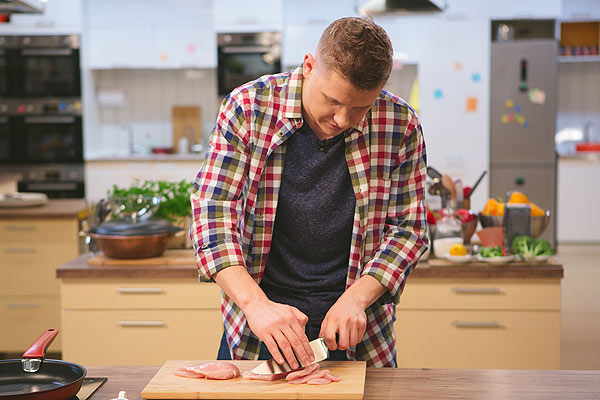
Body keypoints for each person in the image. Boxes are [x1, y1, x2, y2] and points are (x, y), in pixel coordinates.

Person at [190, 17, 428, 368]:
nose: (344, 119)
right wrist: (257, 305)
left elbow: (408, 229)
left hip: (359, 331)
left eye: (360, 107)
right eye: (332, 100)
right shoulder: (247, 109)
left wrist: (357, 299)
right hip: (261, 327)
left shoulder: (400, 124)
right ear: (308, 66)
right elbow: (213, 212)